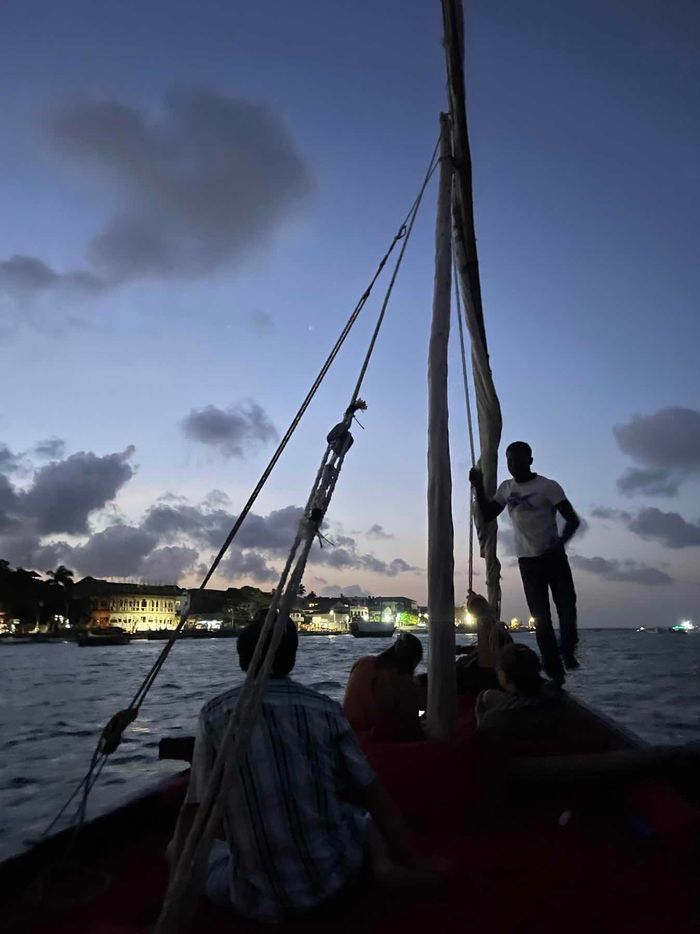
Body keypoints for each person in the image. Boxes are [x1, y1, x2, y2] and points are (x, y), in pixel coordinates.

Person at [167, 615, 422, 923]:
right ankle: (386, 868)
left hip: (256, 901)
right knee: (360, 817)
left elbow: (195, 811)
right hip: (334, 884)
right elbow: (372, 793)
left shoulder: (214, 716)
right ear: (292, 659)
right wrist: (413, 859)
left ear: (241, 660)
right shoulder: (324, 709)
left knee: (183, 850)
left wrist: (177, 879)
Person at [470, 441, 580, 684]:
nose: (514, 465)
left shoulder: (548, 487)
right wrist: (478, 485)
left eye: (519, 460)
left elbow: (572, 520)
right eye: (510, 461)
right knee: (541, 618)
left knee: (567, 610)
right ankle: (554, 671)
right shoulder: (506, 488)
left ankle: (568, 652)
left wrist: (560, 542)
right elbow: (488, 514)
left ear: (530, 460)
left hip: (554, 558)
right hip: (528, 562)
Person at [476, 643, 566, 743]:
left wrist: (480, 715)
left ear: (505, 676)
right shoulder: (559, 703)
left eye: (499, 670)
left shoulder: (496, 719)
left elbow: (483, 739)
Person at [343, 633, 423, 740]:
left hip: (348, 733)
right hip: (376, 741)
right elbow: (410, 722)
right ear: (412, 661)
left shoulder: (363, 663)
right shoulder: (400, 680)